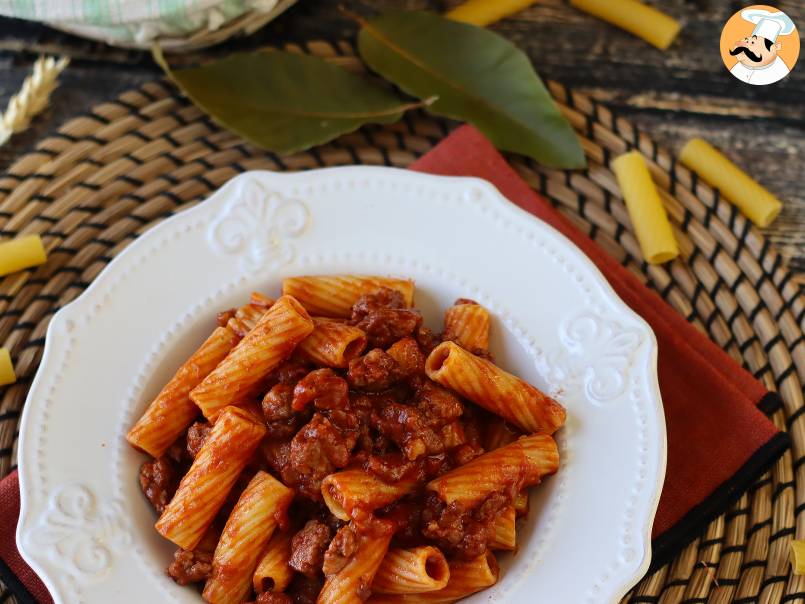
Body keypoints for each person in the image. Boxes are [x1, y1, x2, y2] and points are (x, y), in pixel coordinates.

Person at [728, 9, 795, 85]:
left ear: (775, 47)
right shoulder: (741, 63)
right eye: (747, 41)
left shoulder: (779, 70)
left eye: (753, 43)